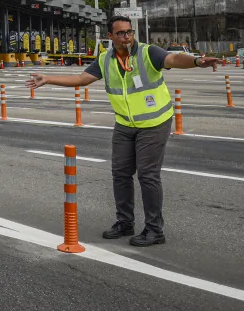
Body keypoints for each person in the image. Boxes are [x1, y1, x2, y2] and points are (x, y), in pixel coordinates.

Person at [25, 16, 221, 247]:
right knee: (120, 173)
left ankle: (154, 229)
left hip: (154, 123)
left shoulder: (148, 52)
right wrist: (48, 78)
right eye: (121, 33)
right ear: (110, 36)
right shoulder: (105, 59)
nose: (126, 36)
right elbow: (81, 78)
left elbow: (174, 58)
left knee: (147, 175)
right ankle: (125, 222)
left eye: (129, 32)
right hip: (125, 124)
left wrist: (197, 62)